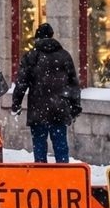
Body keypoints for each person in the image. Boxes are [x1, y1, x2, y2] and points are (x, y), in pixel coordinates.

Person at [9, 22, 82, 163]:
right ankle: (64, 177)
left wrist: (16, 104)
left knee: (39, 146)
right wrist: (75, 106)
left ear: (37, 38)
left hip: (38, 108)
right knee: (61, 146)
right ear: (52, 36)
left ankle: (42, 177)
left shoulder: (31, 56)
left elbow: (21, 83)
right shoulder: (64, 56)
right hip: (59, 108)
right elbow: (73, 83)